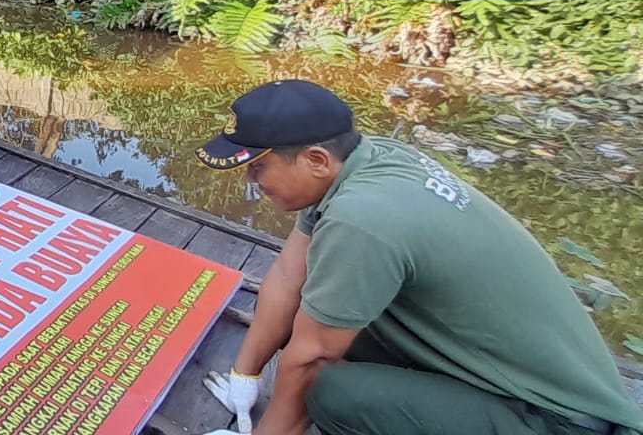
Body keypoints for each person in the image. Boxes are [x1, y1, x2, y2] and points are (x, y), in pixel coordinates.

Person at [195, 80, 643, 435]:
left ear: (315, 159)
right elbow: (292, 273)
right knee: (319, 308)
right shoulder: (371, 159)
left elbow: (311, 361)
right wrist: (245, 375)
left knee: (331, 391)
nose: (252, 182)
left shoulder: (360, 218)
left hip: (554, 418)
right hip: (505, 371)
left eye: (258, 167)